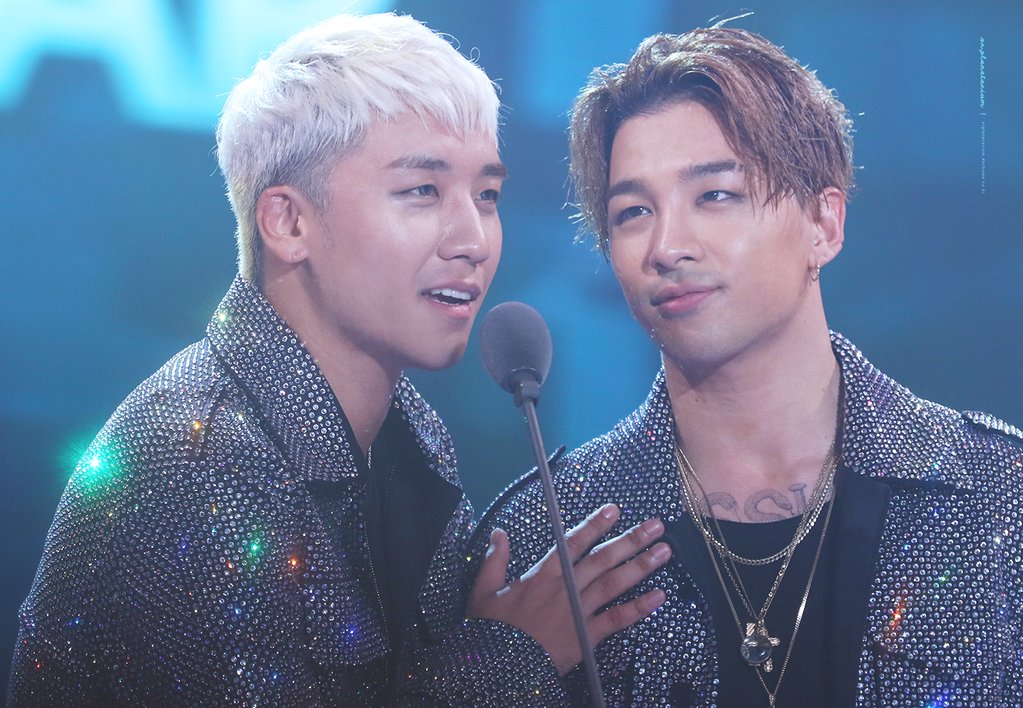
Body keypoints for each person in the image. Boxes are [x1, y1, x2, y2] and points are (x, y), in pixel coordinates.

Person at [9, 13, 672, 706]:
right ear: (288, 222)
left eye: (486, 195)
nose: (474, 240)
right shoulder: (199, 461)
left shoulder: (411, 433)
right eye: (422, 191)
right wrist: (507, 657)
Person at [471, 26, 1023, 706]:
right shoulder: (548, 532)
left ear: (823, 223)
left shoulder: (997, 495)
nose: (666, 246)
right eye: (633, 212)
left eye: (715, 195)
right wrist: (494, 674)